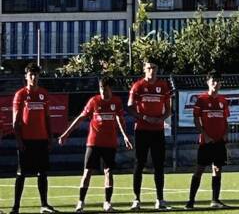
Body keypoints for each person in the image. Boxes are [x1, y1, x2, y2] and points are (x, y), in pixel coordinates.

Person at [59, 76, 133, 213]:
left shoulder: (116, 102)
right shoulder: (94, 101)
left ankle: (107, 203)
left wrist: (125, 136)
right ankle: (80, 203)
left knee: (108, 172)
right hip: (94, 142)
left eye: (105, 89)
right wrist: (66, 133)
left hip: (110, 143)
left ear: (110, 89)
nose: (102, 92)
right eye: (100, 89)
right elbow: (81, 117)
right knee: (87, 172)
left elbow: (119, 119)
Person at [11, 63, 58, 214]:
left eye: (36, 74)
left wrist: (50, 138)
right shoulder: (21, 95)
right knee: (21, 174)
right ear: (26, 77)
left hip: (42, 140)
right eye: (31, 74)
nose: (34, 77)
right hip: (26, 140)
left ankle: (44, 204)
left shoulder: (44, 94)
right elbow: (15, 121)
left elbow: (47, 118)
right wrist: (19, 140)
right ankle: (16, 207)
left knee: (42, 173)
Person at [127, 61, 172, 210]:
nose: (151, 70)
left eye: (154, 68)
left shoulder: (163, 86)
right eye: (149, 68)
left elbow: (168, 110)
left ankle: (160, 199)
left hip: (158, 131)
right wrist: (144, 117)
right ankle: (136, 199)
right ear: (144, 70)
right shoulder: (138, 86)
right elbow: (130, 107)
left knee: (159, 165)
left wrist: (162, 118)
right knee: (139, 164)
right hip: (142, 130)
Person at [185, 71, 230, 209]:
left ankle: (215, 200)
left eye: (218, 81)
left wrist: (225, 134)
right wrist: (204, 135)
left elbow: (225, 120)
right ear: (208, 82)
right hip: (206, 142)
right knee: (199, 169)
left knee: (217, 169)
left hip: (219, 141)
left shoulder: (223, 101)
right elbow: (196, 119)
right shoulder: (201, 100)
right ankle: (191, 201)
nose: (216, 84)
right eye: (213, 81)